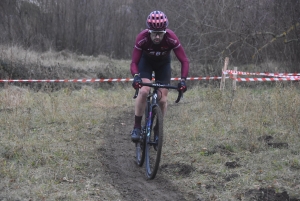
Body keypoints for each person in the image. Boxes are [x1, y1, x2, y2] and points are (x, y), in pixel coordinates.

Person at [130, 10, 189, 142]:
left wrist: (183, 80)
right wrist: (136, 76)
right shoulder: (142, 38)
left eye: (160, 34)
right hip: (146, 63)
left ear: (165, 31)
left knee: (162, 99)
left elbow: (184, 60)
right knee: (144, 91)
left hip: (163, 65)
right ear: (149, 31)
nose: (157, 37)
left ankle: (158, 129)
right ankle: (137, 127)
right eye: (154, 34)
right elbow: (134, 62)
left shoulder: (171, 38)